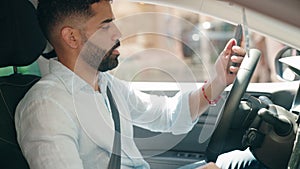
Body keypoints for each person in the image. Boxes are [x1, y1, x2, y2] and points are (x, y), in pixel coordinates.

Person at [15, 0, 246, 168]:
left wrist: (217, 81)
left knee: (240, 161)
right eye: (105, 25)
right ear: (72, 37)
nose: (118, 32)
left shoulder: (107, 86)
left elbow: (167, 114)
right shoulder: (47, 106)